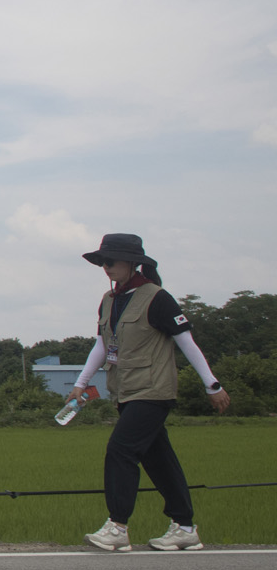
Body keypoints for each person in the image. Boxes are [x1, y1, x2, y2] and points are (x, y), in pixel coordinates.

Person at [68, 234, 230, 553]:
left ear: (132, 263)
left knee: (120, 450)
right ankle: (184, 527)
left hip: (154, 390)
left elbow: (187, 343)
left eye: (111, 261)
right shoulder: (109, 300)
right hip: (125, 390)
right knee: (158, 459)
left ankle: (117, 527)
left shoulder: (157, 298)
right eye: (103, 261)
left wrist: (212, 384)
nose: (106, 267)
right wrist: (81, 382)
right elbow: (103, 344)